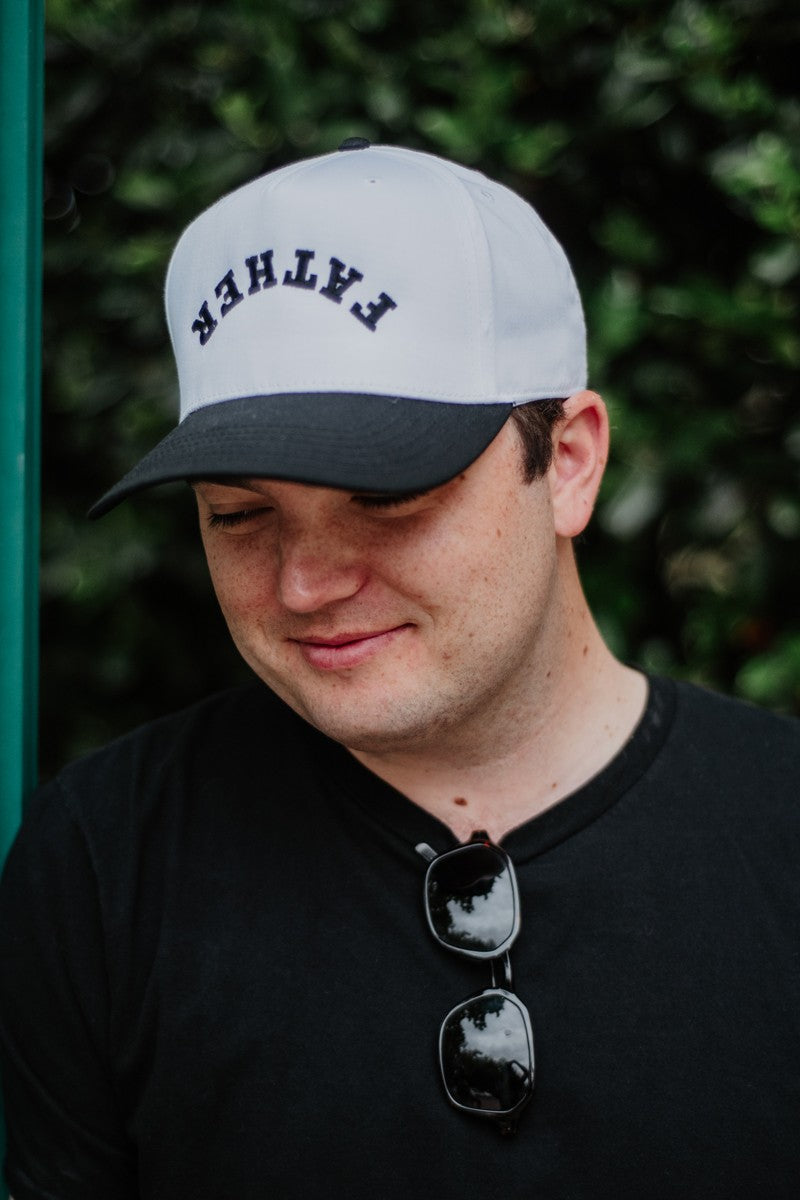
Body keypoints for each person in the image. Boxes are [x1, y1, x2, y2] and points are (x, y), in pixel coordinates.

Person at [1, 141, 798, 1200]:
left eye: (388, 499)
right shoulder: (102, 864)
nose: (302, 584)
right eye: (238, 515)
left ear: (566, 460)